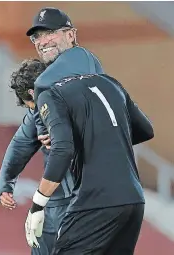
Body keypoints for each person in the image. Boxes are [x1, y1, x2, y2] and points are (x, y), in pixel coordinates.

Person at [9, 59, 154, 255]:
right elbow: (145, 130)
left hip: (94, 201)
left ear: (32, 93)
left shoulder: (49, 94)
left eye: (33, 108)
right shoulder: (108, 82)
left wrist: (37, 205)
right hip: (133, 200)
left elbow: (63, 151)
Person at [0, 7, 105, 255]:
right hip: (57, 198)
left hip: (90, 195)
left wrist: (63, 134)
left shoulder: (84, 62)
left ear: (71, 35)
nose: (42, 41)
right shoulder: (44, 92)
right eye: (37, 37)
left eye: (51, 33)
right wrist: (6, 183)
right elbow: (21, 142)